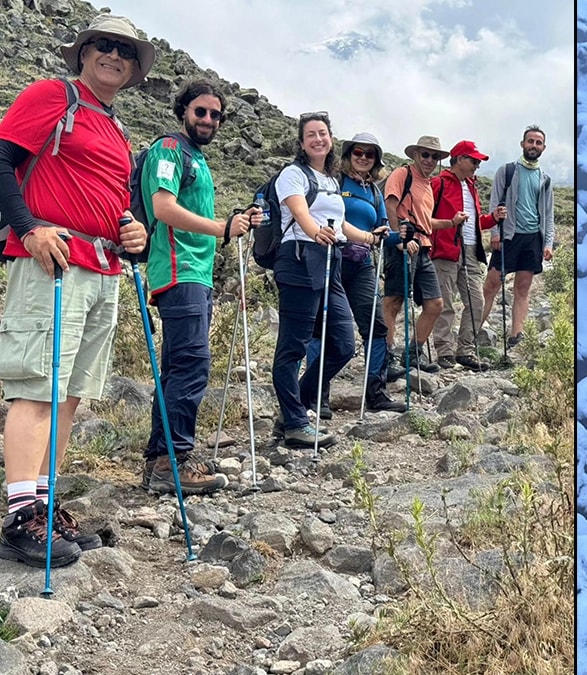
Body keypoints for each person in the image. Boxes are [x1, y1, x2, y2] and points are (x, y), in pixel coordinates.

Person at [0, 15, 151, 567]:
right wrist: (26, 228)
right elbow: (2, 160)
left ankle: (43, 503)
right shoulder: (51, 95)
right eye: (104, 45)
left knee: (69, 395)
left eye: (125, 51)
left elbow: (109, 197)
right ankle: (20, 519)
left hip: (101, 265)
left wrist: (131, 228)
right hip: (53, 257)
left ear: (135, 69)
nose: (115, 55)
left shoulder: (113, 126)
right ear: (84, 51)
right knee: (38, 387)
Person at [139, 80, 258, 495]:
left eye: (215, 114)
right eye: (200, 111)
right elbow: (163, 208)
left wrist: (231, 223)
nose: (208, 119)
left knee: (177, 368)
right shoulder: (169, 150)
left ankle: (161, 460)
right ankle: (175, 460)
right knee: (191, 365)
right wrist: (223, 227)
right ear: (183, 111)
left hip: (195, 274)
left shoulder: (196, 158)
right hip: (179, 271)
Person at [270, 112, 387, 449]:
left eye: (323, 133)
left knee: (343, 344)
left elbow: (339, 225)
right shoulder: (292, 175)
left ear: (331, 138)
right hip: (300, 260)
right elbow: (301, 214)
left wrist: (367, 237)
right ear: (302, 141)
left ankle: (295, 408)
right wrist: (316, 232)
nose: (318, 139)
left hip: (330, 261)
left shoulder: (332, 180)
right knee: (292, 346)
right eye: (311, 134)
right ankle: (294, 422)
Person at [303, 132, 405, 414]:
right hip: (330, 260)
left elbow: (382, 231)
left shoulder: (373, 191)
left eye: (369, 154)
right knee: (321, 329)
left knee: (375, 327)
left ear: (376, 161)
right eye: (357, 152)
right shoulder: (335, 182)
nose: (363, 158)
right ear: (348, 156)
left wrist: (402, 236)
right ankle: (316, 395)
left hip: (361, 265)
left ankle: (376, 392)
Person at [382, 135, 463, 374]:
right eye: (425, 154)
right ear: (415, 155)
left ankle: (412, 353)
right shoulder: (401, 174)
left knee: (435, 303)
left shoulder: (428, 184)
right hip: (404, 244)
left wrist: (451, 222)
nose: (430, 160)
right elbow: (390, 205)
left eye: (435, 156)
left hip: (423, 246)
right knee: (394, 301)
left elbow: (426, 222)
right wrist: (399, 240)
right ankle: (384, 358)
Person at [429, 140, 505, 371]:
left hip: (471, 250)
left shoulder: (471, 186)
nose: (476, 166)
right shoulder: (438, 183)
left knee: (477, 301)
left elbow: (474, 222)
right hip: (445, 250)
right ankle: (444, 351)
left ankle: (465, 350)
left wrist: (492, 218)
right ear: (459, 159)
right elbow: (425, 216)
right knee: (446, 302)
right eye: (473, 161)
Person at [481, 125, 556, 351]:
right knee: (491, 285)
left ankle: (517, 334)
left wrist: (548, 242)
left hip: (532, 238)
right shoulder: (507, 171)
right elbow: (494, 202)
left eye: (538, 142)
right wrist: (495, 232)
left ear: (543, 147)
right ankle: (473, 331)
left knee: (523, 288)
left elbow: (548, 214)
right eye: (530, 141)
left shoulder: (545, 179)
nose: (534, 146)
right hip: (508, 236)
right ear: (522, 144)